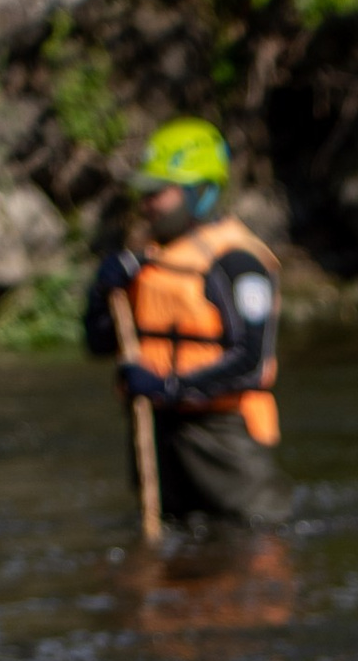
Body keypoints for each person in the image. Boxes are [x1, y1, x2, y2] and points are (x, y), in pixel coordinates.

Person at [84, 120, 287, 531]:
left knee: (253, 546)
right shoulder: (145, 262)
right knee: (172, 557)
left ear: (201, 192)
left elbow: (250, 362)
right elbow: (99, 342)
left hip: (221, 435)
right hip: (160, 431)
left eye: (159, 192)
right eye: (145, 193)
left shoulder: (239, 264)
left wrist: (167, 388)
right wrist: (101, 292)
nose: (148, 203)